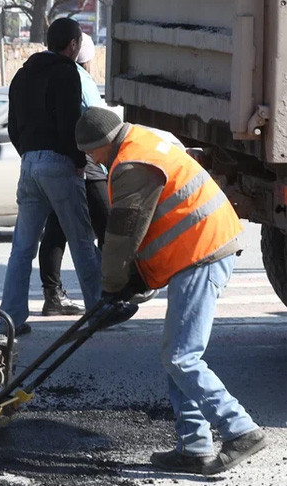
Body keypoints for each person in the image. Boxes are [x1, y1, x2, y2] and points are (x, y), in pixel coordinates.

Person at [74, 107, 267, 475]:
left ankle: (240, 429)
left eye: (89, 153)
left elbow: (123, 234)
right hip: (196, 251)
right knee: (176, 353)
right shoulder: (141, 140)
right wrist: (138, 278)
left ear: (100, 145)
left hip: (202, 253)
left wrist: (113, 284)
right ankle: (194, 446)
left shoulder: (130, 165)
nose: (90, 160)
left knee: (181, 356)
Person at [0, 18, 102, 336]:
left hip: (28, 164)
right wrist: (77, 161)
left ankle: (11, 318)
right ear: (72, 45)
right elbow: (70, 121)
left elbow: (13, 126)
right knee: (83, 239)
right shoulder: (67, 72)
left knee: (22, 247)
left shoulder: (22, 75)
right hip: (59, 164)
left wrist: (29, 153)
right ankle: (99, 310)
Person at [37, 32, 108, 316]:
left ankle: (52, 294)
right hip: (87, 159)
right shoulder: (78, 76)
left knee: (56, 228)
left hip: (60, 157)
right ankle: (106, 292)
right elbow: (95, 115)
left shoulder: (44, 73)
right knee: (109, 226)